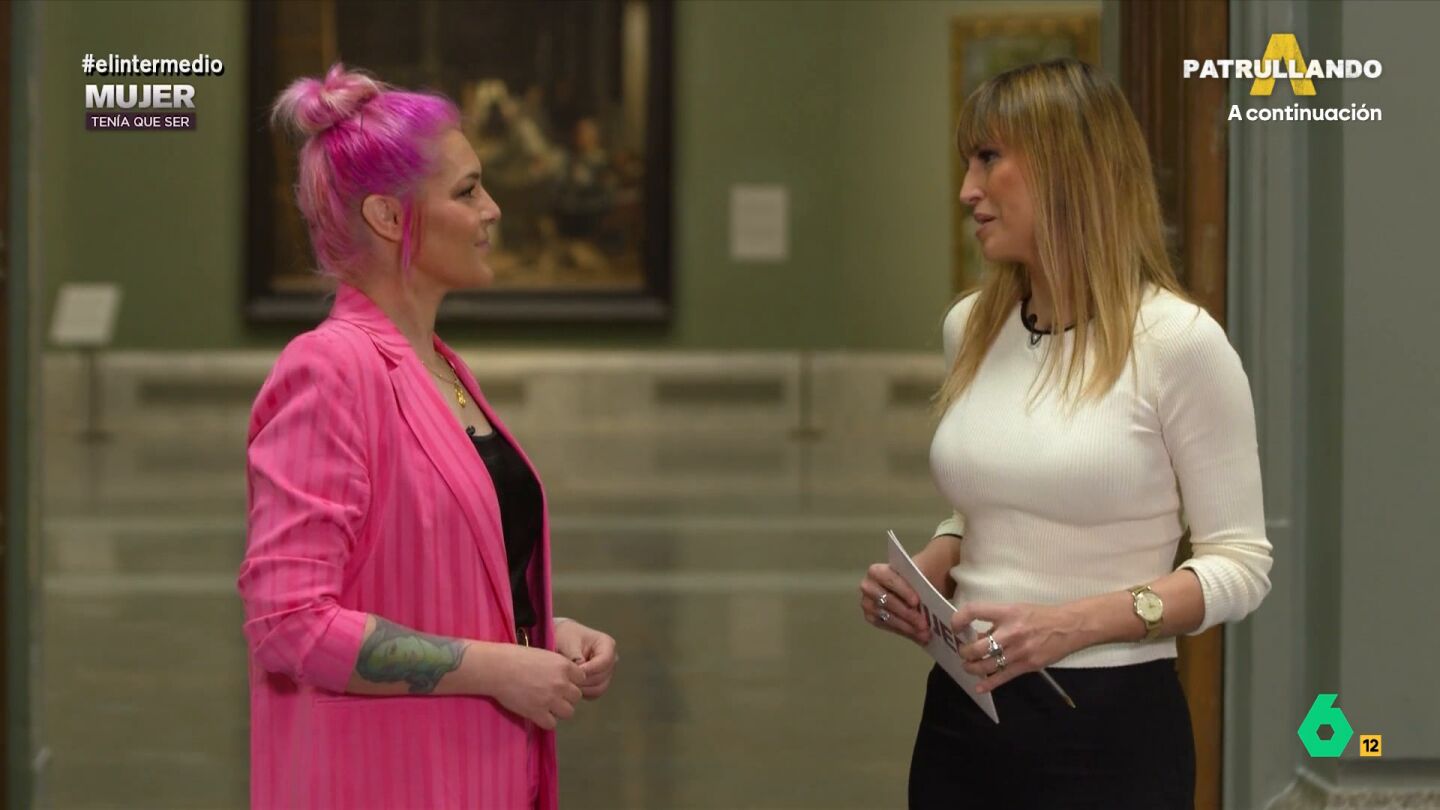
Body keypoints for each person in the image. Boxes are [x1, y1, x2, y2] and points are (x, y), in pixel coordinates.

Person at [857, 58, 1272, 809]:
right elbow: (998, 500)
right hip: (962, 717)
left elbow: (1240, 566)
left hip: (1109, 729)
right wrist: (934, 566)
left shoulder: (1178, 343)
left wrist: (1071, 626)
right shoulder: (970, 327)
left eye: (989, 158)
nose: (967, 190)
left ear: (1066, 168)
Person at [238, 64, 618, 810]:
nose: (492, 209)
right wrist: (496, 668)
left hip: (478, 775)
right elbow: (289, 623)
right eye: (467, 191)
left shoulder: (438, 364)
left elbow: (427, 574)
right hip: (386, 781)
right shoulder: (330, 370)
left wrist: (534, 633)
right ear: (389, 217)